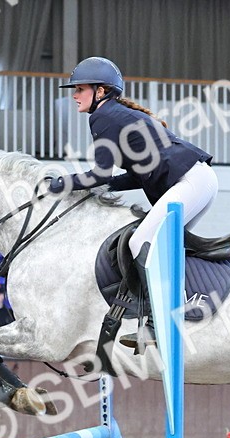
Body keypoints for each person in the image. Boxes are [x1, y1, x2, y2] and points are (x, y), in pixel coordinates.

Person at [51, 56, 217, 350]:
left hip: (190, 183)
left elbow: (100, 173)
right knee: (161, 244)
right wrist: (101, 186)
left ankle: (159, 322)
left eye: (80, 89)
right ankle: (183, 306)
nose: (74, 95)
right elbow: (130, 177)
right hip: (199, 181)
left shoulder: (102, 117)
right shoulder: (115, 115)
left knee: (141, 240)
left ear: (100, 91)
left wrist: (63, 183)